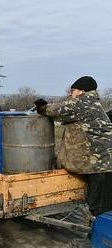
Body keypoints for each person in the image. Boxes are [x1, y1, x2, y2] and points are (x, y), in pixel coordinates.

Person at [34, 76, 112, 216]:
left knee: (99, 208)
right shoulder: (94, 103)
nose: (71, 93)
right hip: (104, 161)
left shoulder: (81, 103)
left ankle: (96, 235)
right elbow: (66, 117)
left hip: (97, 163)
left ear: (82, 91)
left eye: (73, 90)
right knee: (103, 203)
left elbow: (54, 110)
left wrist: (41, 107)